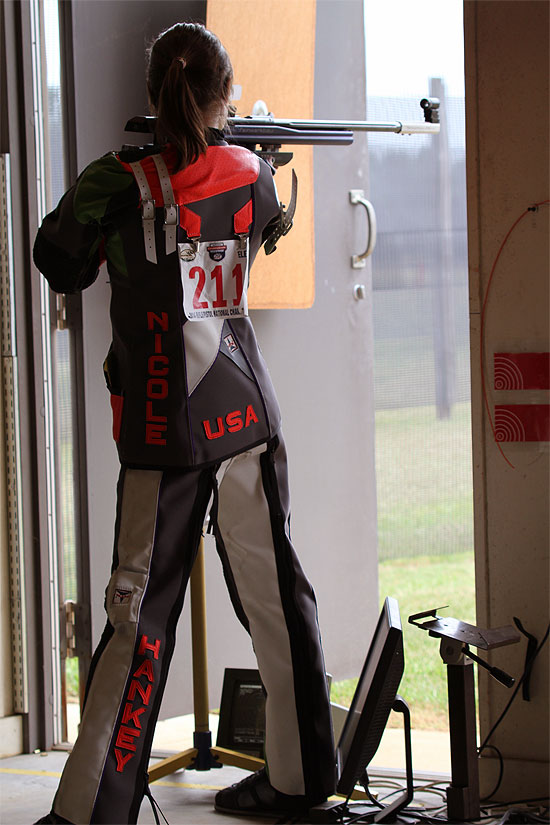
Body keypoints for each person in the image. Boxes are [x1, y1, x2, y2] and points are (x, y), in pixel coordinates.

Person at [33, 21, 335, 825]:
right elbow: (268, 225)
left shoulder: (116, 179)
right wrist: (253, 163)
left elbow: (57, 257)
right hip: (245, 414)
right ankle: (306, 779)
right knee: (277, 597)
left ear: (152, 94)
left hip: (164, 427)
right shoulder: (250, 171)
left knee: (138, 620)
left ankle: (93, 811)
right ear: (223, 98)